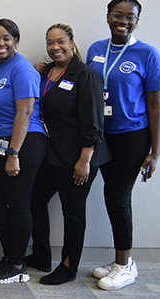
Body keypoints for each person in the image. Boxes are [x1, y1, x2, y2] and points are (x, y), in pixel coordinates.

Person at [86, 0, 160, 291]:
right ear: (107, 16)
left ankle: (125, 264)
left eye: (130, 16)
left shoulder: (147, 54)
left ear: (136, 21)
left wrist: (155, 153)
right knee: (109, 197)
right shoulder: (95, 49)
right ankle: (118, 260)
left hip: (131, 135)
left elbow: (155, 106)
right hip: (100, 135)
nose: (123, 21)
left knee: (118, 197)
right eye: (117, 15)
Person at [26, 24, 111, 285]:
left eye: (60, 42)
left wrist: (84, 160)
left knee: (73, 212)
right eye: (50, 43)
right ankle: (41, 255)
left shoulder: (85, 75)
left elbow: (93, 124)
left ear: (71, 42)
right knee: (35, 201)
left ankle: (68, 266)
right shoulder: (48, 72)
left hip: (78, 157)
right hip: (53, 155)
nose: (55, 47)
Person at [0, 19, 47, 284]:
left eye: (6, 38)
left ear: (16, 41)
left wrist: (13, 153)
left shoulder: (22, 69)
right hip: (1, 141)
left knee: (18, 205)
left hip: (24, 142)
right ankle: (11, 256)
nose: (1, 43)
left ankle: (17, 265)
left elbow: (26, 112)